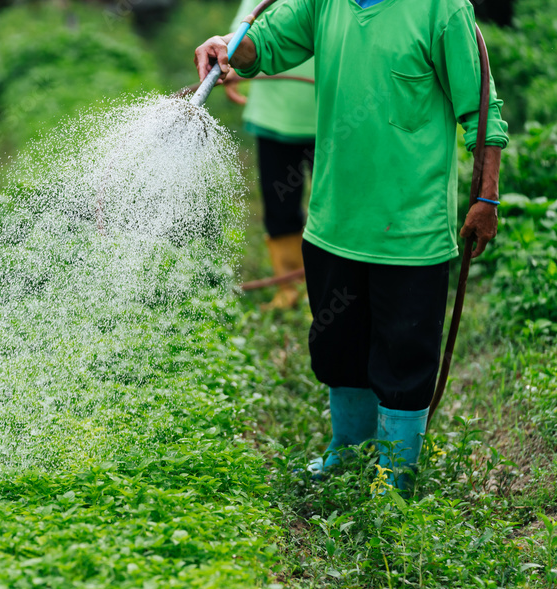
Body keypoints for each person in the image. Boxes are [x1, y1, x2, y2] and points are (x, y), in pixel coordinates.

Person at [195, 0, 507, 494]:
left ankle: (395, 473)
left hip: (411, 230)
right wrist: (228, 48)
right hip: (334, 223)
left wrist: (486, 197)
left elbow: (482, 110)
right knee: (339, 345)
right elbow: (268, 44)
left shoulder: (442, 11)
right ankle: (348, 452)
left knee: (405, 355)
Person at [224, 0, 316, 310]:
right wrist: (232, 67)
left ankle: (328, 287)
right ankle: (287, 288)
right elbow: (239, 38)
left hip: (329, 121)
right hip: (273, 119)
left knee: (334, 207)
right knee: (280, 207)